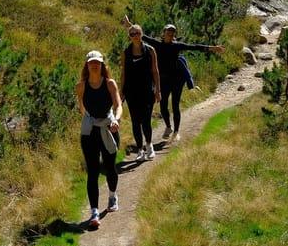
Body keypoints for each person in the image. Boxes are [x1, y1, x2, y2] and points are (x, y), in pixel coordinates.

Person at [124, 17, 224, 142]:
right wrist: (129, 25)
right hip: (164, 80)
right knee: (163, 106)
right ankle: (168, 127)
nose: (170, 35)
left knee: (175, 105)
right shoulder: (158, 45)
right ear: (163, 33)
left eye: (172, 33)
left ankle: (176, 131)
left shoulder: (177, 46)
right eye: (168, 32)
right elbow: (140, 36)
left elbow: (194, 47)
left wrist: (212, 48)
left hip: (177, 80)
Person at [76, 50, 123, 230]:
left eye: (97, 62)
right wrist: (90, 121)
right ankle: (94, 211)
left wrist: (116, 120)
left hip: (109, 128)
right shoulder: (81, 86)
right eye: (91, 62)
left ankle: (112, 195)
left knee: (110, 167)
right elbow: (81, 107)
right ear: (87, 66)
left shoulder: (110, 83)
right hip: (89, 132)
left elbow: (118, 105)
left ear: (102, 65)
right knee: (93, 171)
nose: (94, 65)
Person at [120, 24, 161, 162]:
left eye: (137, 33)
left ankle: (149, 146)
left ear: (142, 34)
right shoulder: (126, 52)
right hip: (131, 92)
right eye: (132, 34)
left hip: (147, 91)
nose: (135, 36)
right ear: (129, 37)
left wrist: (158, 91)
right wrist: (121, 92)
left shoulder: (150, 51)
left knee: (146, 120)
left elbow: (155, 71)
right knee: (135, 121)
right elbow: (123, 73)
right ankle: (140, 150)